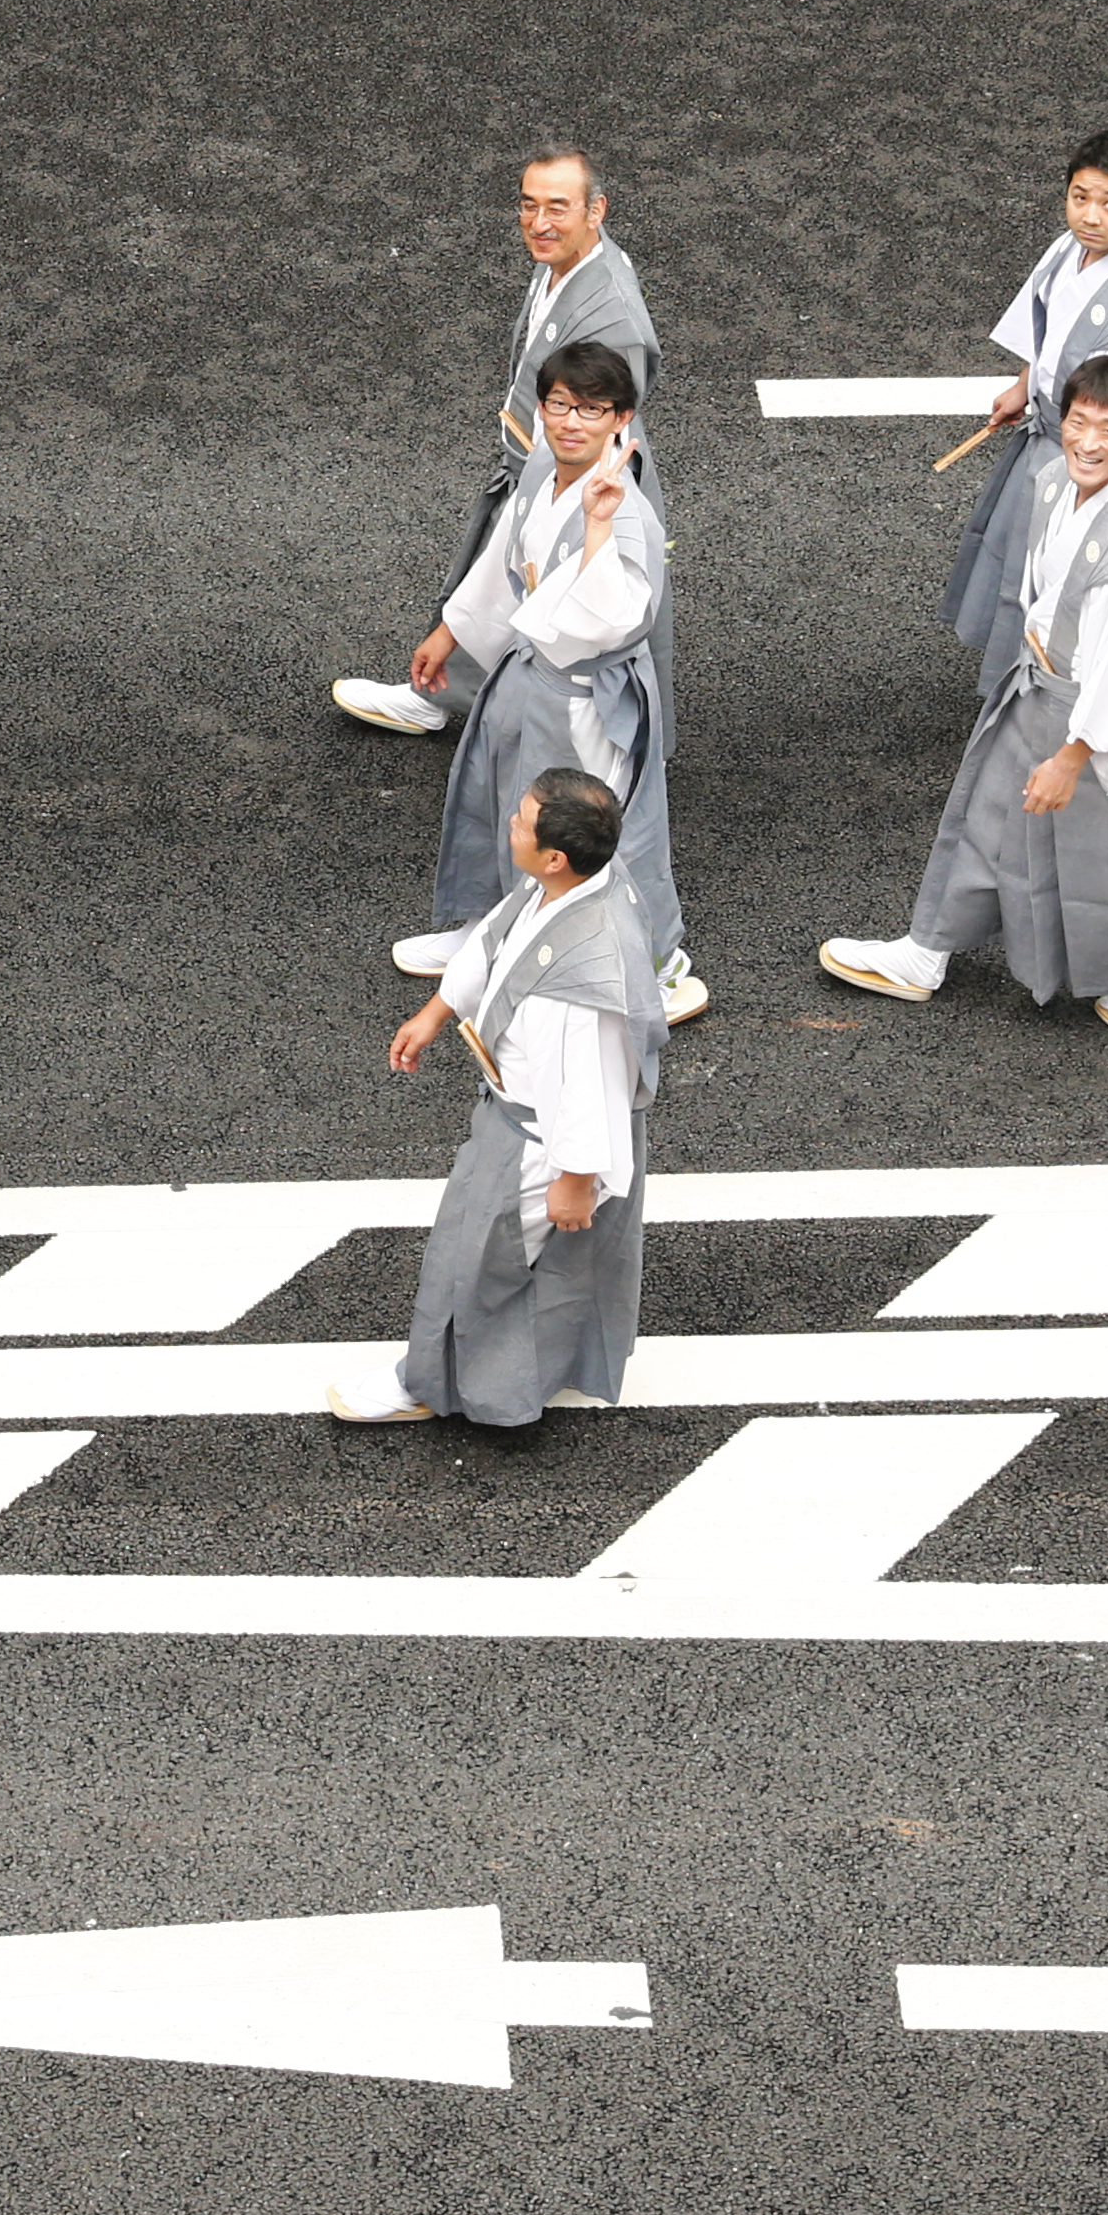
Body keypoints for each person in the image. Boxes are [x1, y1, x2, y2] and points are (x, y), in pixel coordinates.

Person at [819, 357, 1108, 1025]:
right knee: (985, 815)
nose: (1086, 442)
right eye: (1078, 421)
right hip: (1042, 687)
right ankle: (927, 949)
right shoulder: (1058, 479)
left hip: (1098, 719)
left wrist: (1073, 755)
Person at [331, 770, 660, 1429]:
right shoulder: (582, 885)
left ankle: (427, 1382)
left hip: (540, 1146)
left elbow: (586, 1085)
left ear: (555, 856)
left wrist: (573, 1178)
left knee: (476, 1263)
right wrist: (435, 1012)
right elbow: (492, 946)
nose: (511, 823)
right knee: (547, 1268)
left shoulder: (580, 978)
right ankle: (527, 1373)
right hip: (527, 1125)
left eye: (521, 821)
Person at [379, 340, 688, 1004]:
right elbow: (504, 561)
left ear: (621, 420)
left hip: (583, 697)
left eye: (591, 409)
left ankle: (652, 964)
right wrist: (451, 631)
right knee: (502, 803)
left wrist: (600, 527)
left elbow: (616, 617)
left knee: (590, 830)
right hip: (531, 672)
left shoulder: (624, 509)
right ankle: (493, 930)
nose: (572, 422)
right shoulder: (546, 467)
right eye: (560, 405)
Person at [338, 142, 659, 734]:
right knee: (510, 576)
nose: (539, 224)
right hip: (544, 464)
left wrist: (553, 495)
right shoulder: (568, 265)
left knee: (544, 589)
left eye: (558, 208)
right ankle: (460, 695)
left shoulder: (610, 317)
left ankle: (463, 703)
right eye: (528, 206)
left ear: (597, 210)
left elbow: (594, 423)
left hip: (569, 474)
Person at [946, 127, 1108, 658]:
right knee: (1026, 570)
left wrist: (1093, 494)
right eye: (1080, 198)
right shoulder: (1070, 250)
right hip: (1057, 439)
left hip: (1091, 459)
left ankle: (1062, 707)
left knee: (1069, 580)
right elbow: (1049, 330)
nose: (1090, 216)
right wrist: (1025, 385)